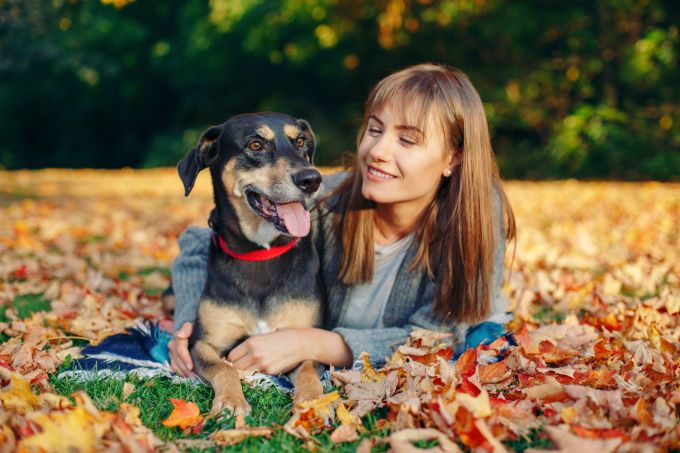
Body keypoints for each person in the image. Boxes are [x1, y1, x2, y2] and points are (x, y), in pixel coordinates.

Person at [168, 63, 516, 378]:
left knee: (480, 343)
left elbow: (436, 338)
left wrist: (316, 344)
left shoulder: (477, 216)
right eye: (375, 130)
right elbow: (199, 243)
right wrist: (190, 325)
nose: (378, 151)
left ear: (453, 159)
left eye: (407, 140)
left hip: (458, 331)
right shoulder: (330, 201)